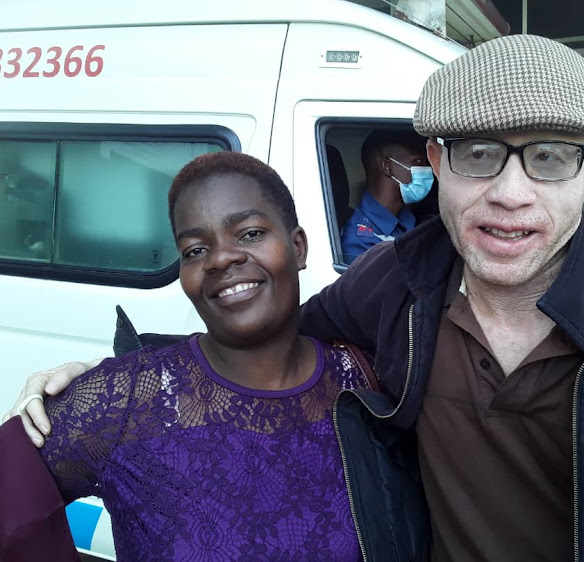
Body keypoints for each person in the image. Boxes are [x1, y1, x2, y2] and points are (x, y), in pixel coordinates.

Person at [9, 35, 584, 561]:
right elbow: (264, 337)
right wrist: (123, 380)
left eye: (549, 157)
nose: (511, 194)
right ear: (435, 162)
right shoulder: (398, 284)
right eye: (479, 155)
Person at [0, 151, 381, 561]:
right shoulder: (123, 402)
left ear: (298, 247)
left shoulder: (364, 381)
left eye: (250, 233)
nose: (220, 258)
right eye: (195, 250)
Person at [339, 130, 433, 263]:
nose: (427, 170)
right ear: (388, 167)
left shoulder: (409, 219)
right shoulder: (360, 241)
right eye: (418, 162)